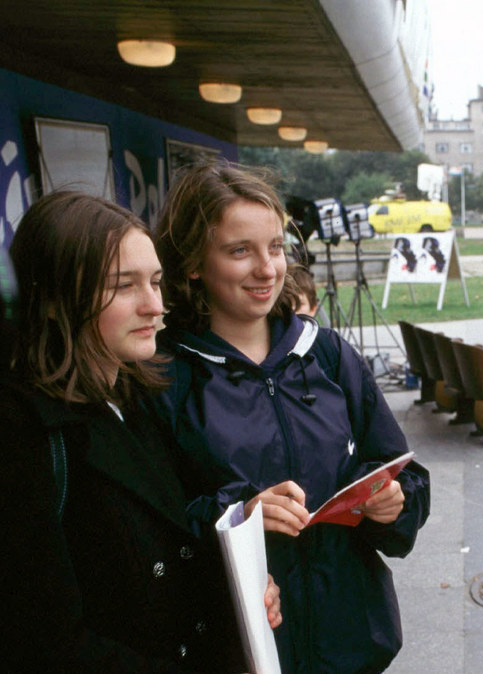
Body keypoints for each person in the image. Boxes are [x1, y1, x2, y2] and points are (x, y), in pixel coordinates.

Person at [150, 161, 431, 674]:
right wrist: (239, 517)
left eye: (276, 247)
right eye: (240, 251)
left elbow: (402, 471)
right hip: (244, 648)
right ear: (193, 263)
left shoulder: (326, 354)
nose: (268, 269)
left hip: (351, 645)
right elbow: (153, 531)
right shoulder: (165, 377)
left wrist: (395, 502)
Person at [0, 191, 282, 672]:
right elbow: (46, 642)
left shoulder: (137, 398)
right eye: (123, 286)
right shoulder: (23, 436)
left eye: (155, 281)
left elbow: (171, 547)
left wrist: (239, 582)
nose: (155, 306)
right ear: (53, 300)